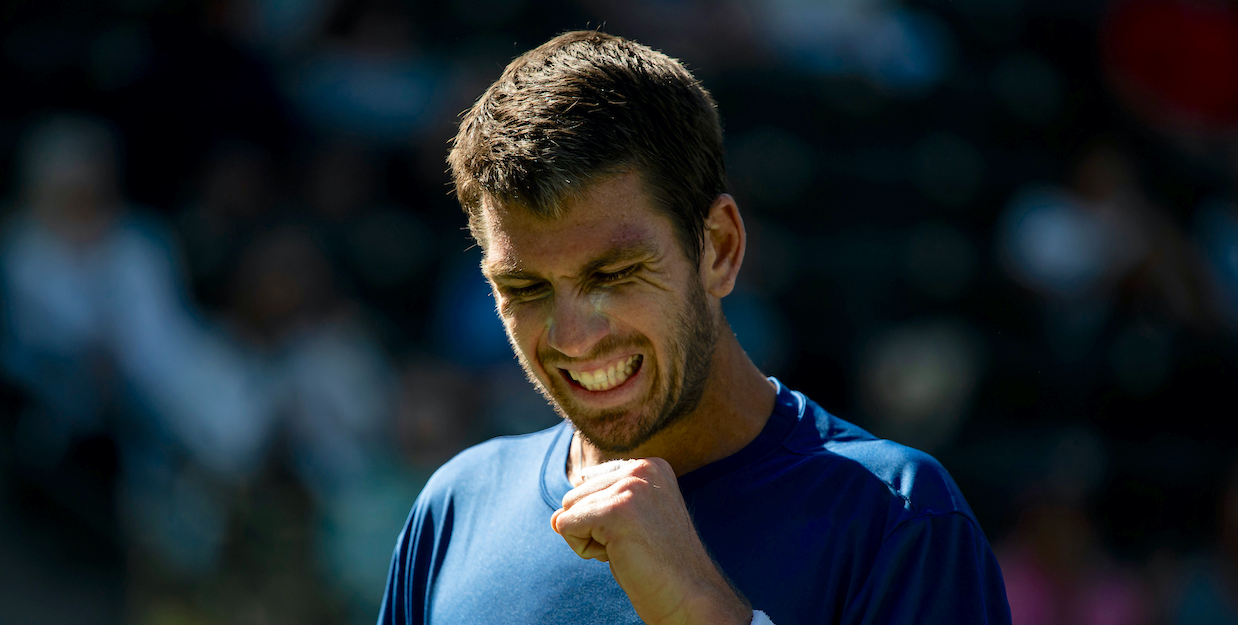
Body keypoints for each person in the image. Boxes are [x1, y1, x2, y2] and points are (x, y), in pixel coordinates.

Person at [377, 30, 1010, 625]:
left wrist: (704, 612)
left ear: (721, 249)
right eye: (524, 288)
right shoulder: (453, 510)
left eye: (616, 274)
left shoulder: (897, 518)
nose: (572, 337)